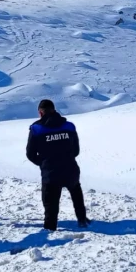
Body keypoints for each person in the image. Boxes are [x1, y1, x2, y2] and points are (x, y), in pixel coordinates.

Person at [26, 99, 91, 231]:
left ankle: (51, 227)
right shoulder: (69, 126)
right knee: (76, 193)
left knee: (50, 203)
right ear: (54, 110)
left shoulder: (36, 129)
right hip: (70, 168)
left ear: (40, 113)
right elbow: (76, 150)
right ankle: (82, 219)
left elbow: (30, 154)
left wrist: (43, 163)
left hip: (50, 172)